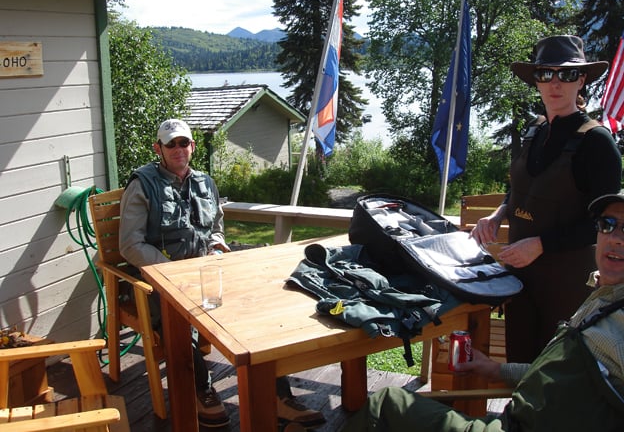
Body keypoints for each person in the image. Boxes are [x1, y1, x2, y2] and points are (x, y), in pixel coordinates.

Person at [341, 190, 624, 431]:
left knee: (386, 404)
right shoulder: (604, 295)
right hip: (517, 418)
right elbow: (555, 375)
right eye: (607, 224)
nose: (616, 238)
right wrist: (493, 368)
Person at [119, 119, 325, 429]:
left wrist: (217, 248)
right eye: (170, 144)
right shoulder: (142, 185)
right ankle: (202, 389)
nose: (178, 149)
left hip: (208, 272)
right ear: (157, 149)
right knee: (180, 324)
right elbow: (130, 245)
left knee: (257, 311)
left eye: (183, 143)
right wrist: (174, 272)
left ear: (192, 146)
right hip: (162, 280)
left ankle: (278, 396)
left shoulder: (205, 182)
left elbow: (215, 228)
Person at [470, 35, 622, 362]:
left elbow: (604, 225)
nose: (555, 83)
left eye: (566, 75)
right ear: (536, 81)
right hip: (519, 279)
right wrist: (498, 215)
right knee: (518, 364)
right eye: (545, 74)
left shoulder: (597, 143)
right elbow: (520, 189)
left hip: (568, 285)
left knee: (557, 376)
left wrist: (540, 245)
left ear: (581, 80)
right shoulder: (534, 131)